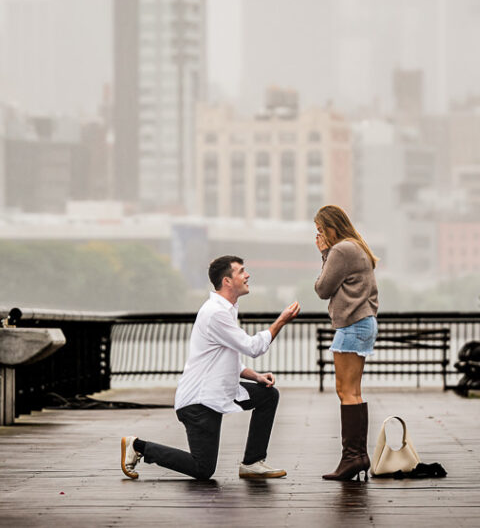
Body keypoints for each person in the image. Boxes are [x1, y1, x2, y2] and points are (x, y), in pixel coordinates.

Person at [121, 255, 301, 481]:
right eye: (241, 271)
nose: (247, 275)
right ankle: (138, 447)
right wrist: (281, 321)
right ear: (227, 281)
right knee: (202, 469)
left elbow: (227, 359)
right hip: (199, 401)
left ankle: (252, 462)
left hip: (218, 392)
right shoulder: (215, 313)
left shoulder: (226, 310)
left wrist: (255, 376)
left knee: (267, 394)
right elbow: (252, 347)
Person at [313, 204, 379, 481]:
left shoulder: (340, 250)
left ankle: (352, 458)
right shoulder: (356, 246)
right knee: (352, 391)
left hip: (352, 323)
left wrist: (325, 253)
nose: (317, 236)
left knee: (346, 391)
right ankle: (357, 457)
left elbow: (322, 288)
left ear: (331, 228)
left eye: (319, 230)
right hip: (362, 322)